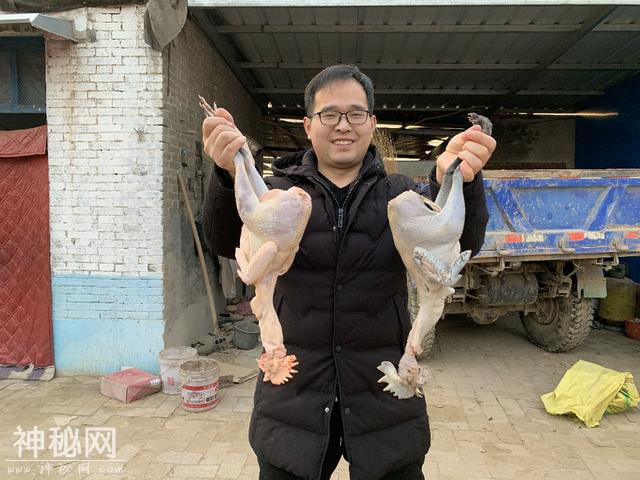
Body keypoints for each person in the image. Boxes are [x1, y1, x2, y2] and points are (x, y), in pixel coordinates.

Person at [202, 64, 496, 480]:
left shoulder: (402, 196)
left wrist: (457, 180)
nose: (343, 125)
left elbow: (461, 245)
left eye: (356, 114)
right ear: (308, 125)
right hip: (294, 398)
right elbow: (220, 240)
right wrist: (227, 174)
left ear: (372, 123)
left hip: (384, 399)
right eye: (329, 114)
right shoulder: (280, 196)